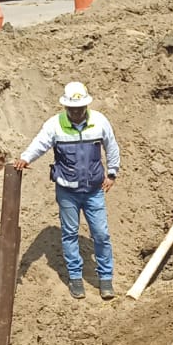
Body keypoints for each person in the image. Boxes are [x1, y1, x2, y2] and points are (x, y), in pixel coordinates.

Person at [15, 81, 120, 301]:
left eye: (79, 109)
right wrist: (25, 157)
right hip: (67, 191)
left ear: (86, 106)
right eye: (72, 109)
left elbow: (111, 146)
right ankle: (75, 278)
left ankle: (106, 279)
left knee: (101, 234)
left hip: (93, 190)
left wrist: (112, 173)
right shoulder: (55, 125)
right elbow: (40, 143)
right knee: (70, 234)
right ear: (65, 107)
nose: (76, 113)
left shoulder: (99, 122)